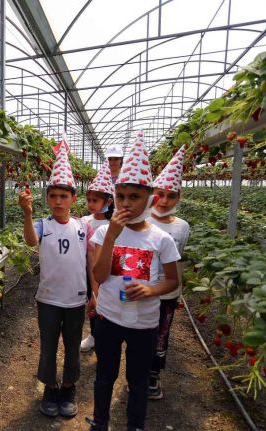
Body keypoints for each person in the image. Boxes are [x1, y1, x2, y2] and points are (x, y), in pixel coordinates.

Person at [87, 132, 180, 431]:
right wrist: (112, 236)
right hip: (110, 317)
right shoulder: (104, 233)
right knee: (104, 375)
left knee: (138, 381)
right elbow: (100, 277)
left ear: (149, 198)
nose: (126, 202)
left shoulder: (161, 239)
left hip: (144, 323)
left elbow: (173, 282)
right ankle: (100, 422)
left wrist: (151, 289)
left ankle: (135, 426)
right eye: (121, 196)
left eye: (135, 196)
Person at [18, 139, 93, 419]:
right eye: (53, 196)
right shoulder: (42, 224)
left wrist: (93, 294)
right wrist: (27, 213)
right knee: (48, 344)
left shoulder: (83, 226)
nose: (58, 201)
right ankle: (50, 386)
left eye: (64, 196)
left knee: (72, 344)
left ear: (74, 199)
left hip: (75, 299)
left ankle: (69, 386)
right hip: (48, 298)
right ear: (47, 199)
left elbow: (89, 261)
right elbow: (29, 241)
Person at [147, 146, 190, 400]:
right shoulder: (141, 222)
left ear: (178, 198)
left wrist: (179, 292)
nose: (164, 201)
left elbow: (179, 261)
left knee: (162, 333)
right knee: (141, 331)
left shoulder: (183, 227)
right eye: (159, 194)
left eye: (170, 196)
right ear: (152, 194)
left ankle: (153, 373)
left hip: (168, 293)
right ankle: (138, 370)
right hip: (143, 289)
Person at [79, 164, 116, 352]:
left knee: (106, 302)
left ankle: (107, 335)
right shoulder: (85, 221)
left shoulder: (114, 224)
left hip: (108, 272)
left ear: (108, 202)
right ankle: (94, 334)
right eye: (89, 200)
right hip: (88, 271)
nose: (90, 204)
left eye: (95, 200)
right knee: (92, 301)